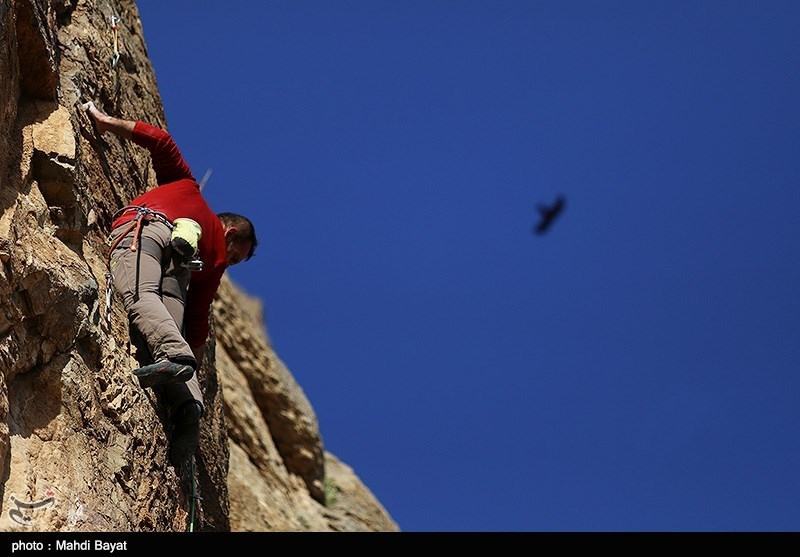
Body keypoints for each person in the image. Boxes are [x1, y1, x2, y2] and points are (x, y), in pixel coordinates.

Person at [83, 102, 258, 467]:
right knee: (168, 320)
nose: (232, 260)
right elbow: (197, 321)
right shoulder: (216, 263)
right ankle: (188, 404)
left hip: (149, 229)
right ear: (229, 232)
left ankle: (176, 366)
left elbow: (161, 142)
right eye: (236, 254)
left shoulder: (187, 188)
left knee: (140, 295)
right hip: (181, 271)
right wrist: (192, 359)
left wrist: (105, 121)